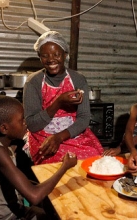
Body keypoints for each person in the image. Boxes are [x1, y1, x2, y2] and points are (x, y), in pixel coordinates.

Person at [0, 95, 77, 219]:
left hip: (8, 208)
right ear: (4, 128)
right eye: (21, 120)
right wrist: (64, 166)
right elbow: (34, 196)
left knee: (48, 209)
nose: (26, 123)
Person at [23, 31, 103, 165]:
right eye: (45, 55)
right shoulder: (33, 82)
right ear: (39, 57)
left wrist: (59, 137)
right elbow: (32, 124)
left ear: (65, 55)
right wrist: (58, 102)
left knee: (93, 161)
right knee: (56, 166)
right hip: (43, 135)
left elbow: (83, 118)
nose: (51, 60)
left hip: (71, 132)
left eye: (56, 54)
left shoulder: (78, 79)